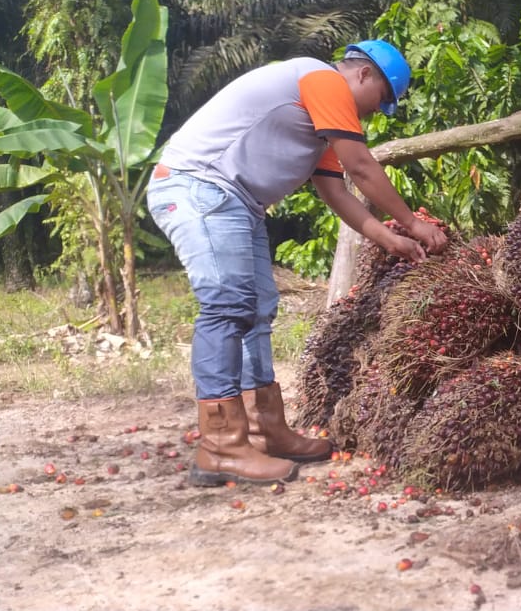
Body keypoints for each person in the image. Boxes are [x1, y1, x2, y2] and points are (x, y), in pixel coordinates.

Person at [148, 40, 447, 487]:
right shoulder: (322, 79)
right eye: (381, 99)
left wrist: (389, 238)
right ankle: (220, 446)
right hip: (200, 187)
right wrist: (411, 222)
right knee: (228, 306)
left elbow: (336, 190)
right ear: (364, 74)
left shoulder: (322, 117)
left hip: (237, 202)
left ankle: (263, 431)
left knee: (257, 310)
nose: (374, 112)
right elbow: (361, 168)